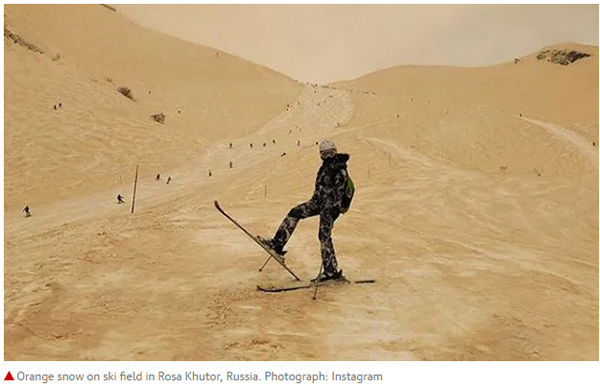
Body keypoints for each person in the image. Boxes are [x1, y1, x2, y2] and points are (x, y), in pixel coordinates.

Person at [259, 139, 348, 282]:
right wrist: (315, 202)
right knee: (295, 212)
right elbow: (319, 190)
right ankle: (277, 244)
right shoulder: (324, 168)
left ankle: (331, 272)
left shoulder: (340, 170)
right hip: (318, 203)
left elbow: (338, 193)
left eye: (330, 153)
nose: (328, 157)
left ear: (335, 152)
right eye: (325, 154)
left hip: (330, 208)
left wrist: (331, 210)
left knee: (324, 236)